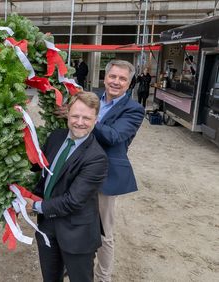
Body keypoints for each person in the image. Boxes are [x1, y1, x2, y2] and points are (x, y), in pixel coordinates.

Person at [24, 91, 109, 282]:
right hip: (47, 226)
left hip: (77, 234)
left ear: (96, 119)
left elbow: (73, 201)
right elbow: (38, 167)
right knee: (50, 278)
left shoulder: (97, 158)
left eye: (86, 118)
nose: (79, 122)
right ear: (67, 114)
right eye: (75, 116)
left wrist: (35, 206)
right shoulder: (56, 136)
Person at [93, 60, 145, 282]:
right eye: (113, 76)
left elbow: (113, 136)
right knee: (77, 223)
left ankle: (103, 277)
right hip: (77, 169)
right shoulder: (93, 98)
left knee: (104, 232)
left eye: (122, 79)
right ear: (105, 78)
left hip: (105, 174)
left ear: (129, 83)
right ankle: (78, 263)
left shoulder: (134, 109)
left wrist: (84, 116)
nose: (116, 82)